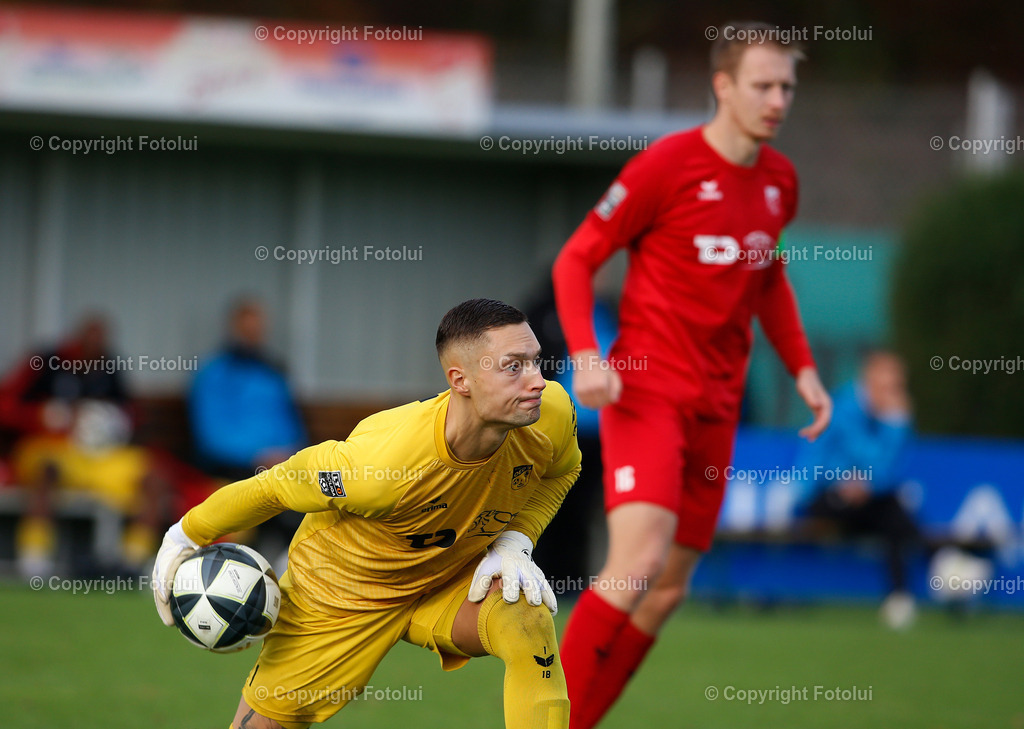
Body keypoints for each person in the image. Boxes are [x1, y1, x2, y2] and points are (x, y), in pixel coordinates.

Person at [552, 22, 833, 728]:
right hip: (645, 389)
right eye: (763, 85)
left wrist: (802, 367)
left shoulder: (780, 182)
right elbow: (576, 259)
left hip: (717, 403)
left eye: (787, 87)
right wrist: (587, 354)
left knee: (666, 589)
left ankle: (574, 719)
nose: (777, 99)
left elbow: (768, 279)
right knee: (637, 561)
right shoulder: (665, 166)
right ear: (723, 86)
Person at [152, 299, 581, 729]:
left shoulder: (551, 415)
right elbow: (274, 485)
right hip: (340, 594)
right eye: (513, 366)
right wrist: (185, 535)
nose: (537, 381)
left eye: (535, 362)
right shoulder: (379, 468)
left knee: (528, 617)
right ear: (460, 380)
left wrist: (516, 540)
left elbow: (562, 472)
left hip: (449, 579)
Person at [0, 315, 169, 576]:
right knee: (46, 471)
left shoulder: (110, 367)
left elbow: (130, 414)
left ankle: (133, 562)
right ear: (76, 338)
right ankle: (34, 558)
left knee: (154, 477)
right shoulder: (46, 362)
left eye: (101, 339)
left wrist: (114, 422)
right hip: (54, 449)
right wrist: (44, 415)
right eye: (89, 338)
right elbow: (7, 406)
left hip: (102, 456)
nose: (95, 346)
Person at [794, 350, 920, 629]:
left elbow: (890, 471)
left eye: (897, 387)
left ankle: (900, 599)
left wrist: (868, 484)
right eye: (886, 386)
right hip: (822, 496)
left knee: (893, 514)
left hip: (869, 504)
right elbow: (861, 460)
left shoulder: (892, 419)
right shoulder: (843, 406)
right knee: (891, 511)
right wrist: (847, 480)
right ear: (869, 379)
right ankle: (936, 573)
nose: (892, 393)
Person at [190, 298, 307, 481]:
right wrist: (257, 456)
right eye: (246, 330)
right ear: (233, 328)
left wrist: (287, 454)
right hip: (234, 467)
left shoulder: (274, 371)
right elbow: (211, 436)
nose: (252, 335)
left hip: (280, 465)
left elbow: (291, 426)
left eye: (256, 330)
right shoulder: (214, 373)